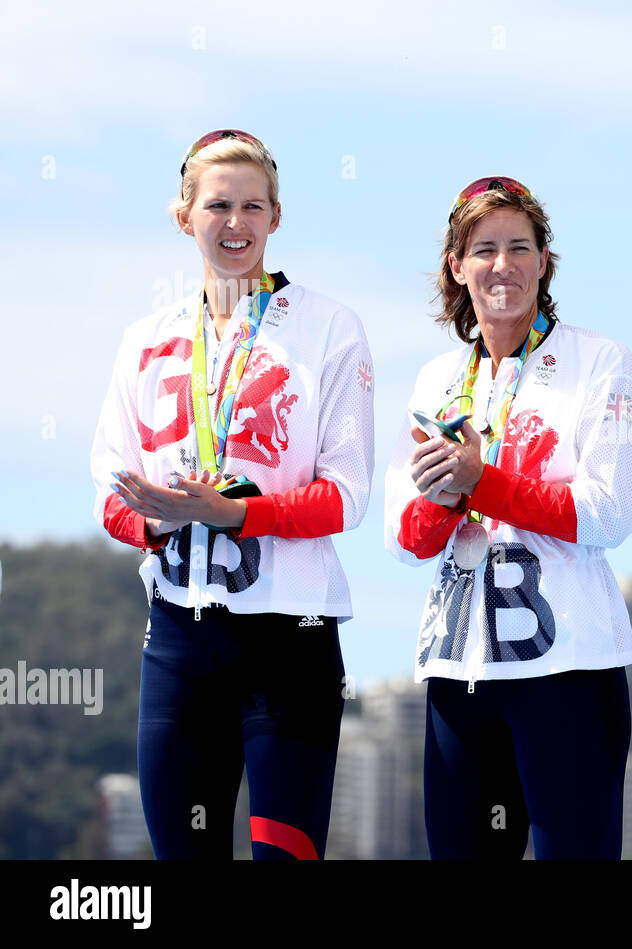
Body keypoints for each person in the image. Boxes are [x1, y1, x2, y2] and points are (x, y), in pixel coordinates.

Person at [90, 129, 375, 859]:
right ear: (184, 216)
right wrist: (159, 525)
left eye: (254, 206)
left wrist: (232, 514)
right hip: (181, 642)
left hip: (291, 639)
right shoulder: (144, 338)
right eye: (218, 205)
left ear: (277, 217)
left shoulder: (330, 328)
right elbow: (108, 487)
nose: (237, 223)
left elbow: (345, 495)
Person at [383, 176, 632, 859]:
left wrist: (483, 482)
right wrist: (447, 499)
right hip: (458, 671)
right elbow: (404, 540)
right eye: (483, 249)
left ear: (543, 261)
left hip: (569, 672)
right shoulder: (436, 379)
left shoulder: (602, 362)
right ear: (457, 265)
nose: (502, 265)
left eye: (519, 248)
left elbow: (608, 513)